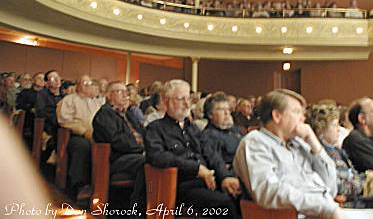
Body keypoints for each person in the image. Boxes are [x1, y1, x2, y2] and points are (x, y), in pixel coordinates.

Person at [233, 89, 373, 219]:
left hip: (327, 210)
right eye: (297, 112)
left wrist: (314, 144)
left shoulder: (299, 143)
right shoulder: (255, 142)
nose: (303, 119)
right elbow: (268, 191)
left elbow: (330, 186)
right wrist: (323, 207)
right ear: (277, 116)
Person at [145, 80, 240, 218]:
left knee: (239, 194)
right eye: (181, 99)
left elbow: (211, 155)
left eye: (188, 98)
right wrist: (196, 169)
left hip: (209, 181)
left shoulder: (193, 128)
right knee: (224, 204)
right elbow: (158, 157)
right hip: (179, 185)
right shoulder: (155, 128)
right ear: (166, 101)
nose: (187, 104)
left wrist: (225, 177)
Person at [92, 81, 146, 218]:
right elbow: (116, 140)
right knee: (146, 163)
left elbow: (143, 133)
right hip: (117, 158)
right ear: (110, 96)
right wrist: (140, 147)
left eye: (126, 92)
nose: (125, 96)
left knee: (159, 160)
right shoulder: (104, 114)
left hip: (134, 154)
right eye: (120, 92)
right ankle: (136, 212)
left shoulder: (128, 115)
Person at [58, 75, 102, 199]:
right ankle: (80, 185)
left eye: (90, 83)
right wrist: (83, 131)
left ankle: (100, 185)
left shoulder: (96, 102)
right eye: (84, 83)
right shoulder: (69, 99)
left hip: (95, 135)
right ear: (77, 85)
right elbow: (64, 120)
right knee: (83, 146)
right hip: (76, 135)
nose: (88, 85)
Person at [201, 92, 242, 172]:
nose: (227, 113)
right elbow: (217, 164)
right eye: (221, 110)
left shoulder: (236, 130)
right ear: (210, 114)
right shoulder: (208, 136)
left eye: (228, 109)